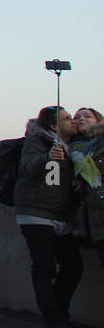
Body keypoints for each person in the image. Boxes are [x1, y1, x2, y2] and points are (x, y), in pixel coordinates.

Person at [14, 106, 91, 328]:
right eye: (68, 119)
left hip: (62, 216)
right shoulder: (38, 142)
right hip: (36, 213)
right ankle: (55, 322)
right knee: (45, 268)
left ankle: (58, 316)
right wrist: (48, 159)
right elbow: (28, 168)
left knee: (72, 266)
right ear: (54, 127)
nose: (73, 122)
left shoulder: (74, 144)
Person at [69, 107, 104, 266]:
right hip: (94, 220)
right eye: (77, 117)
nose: (81, 119)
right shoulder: (66, 148)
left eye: (87, 116)